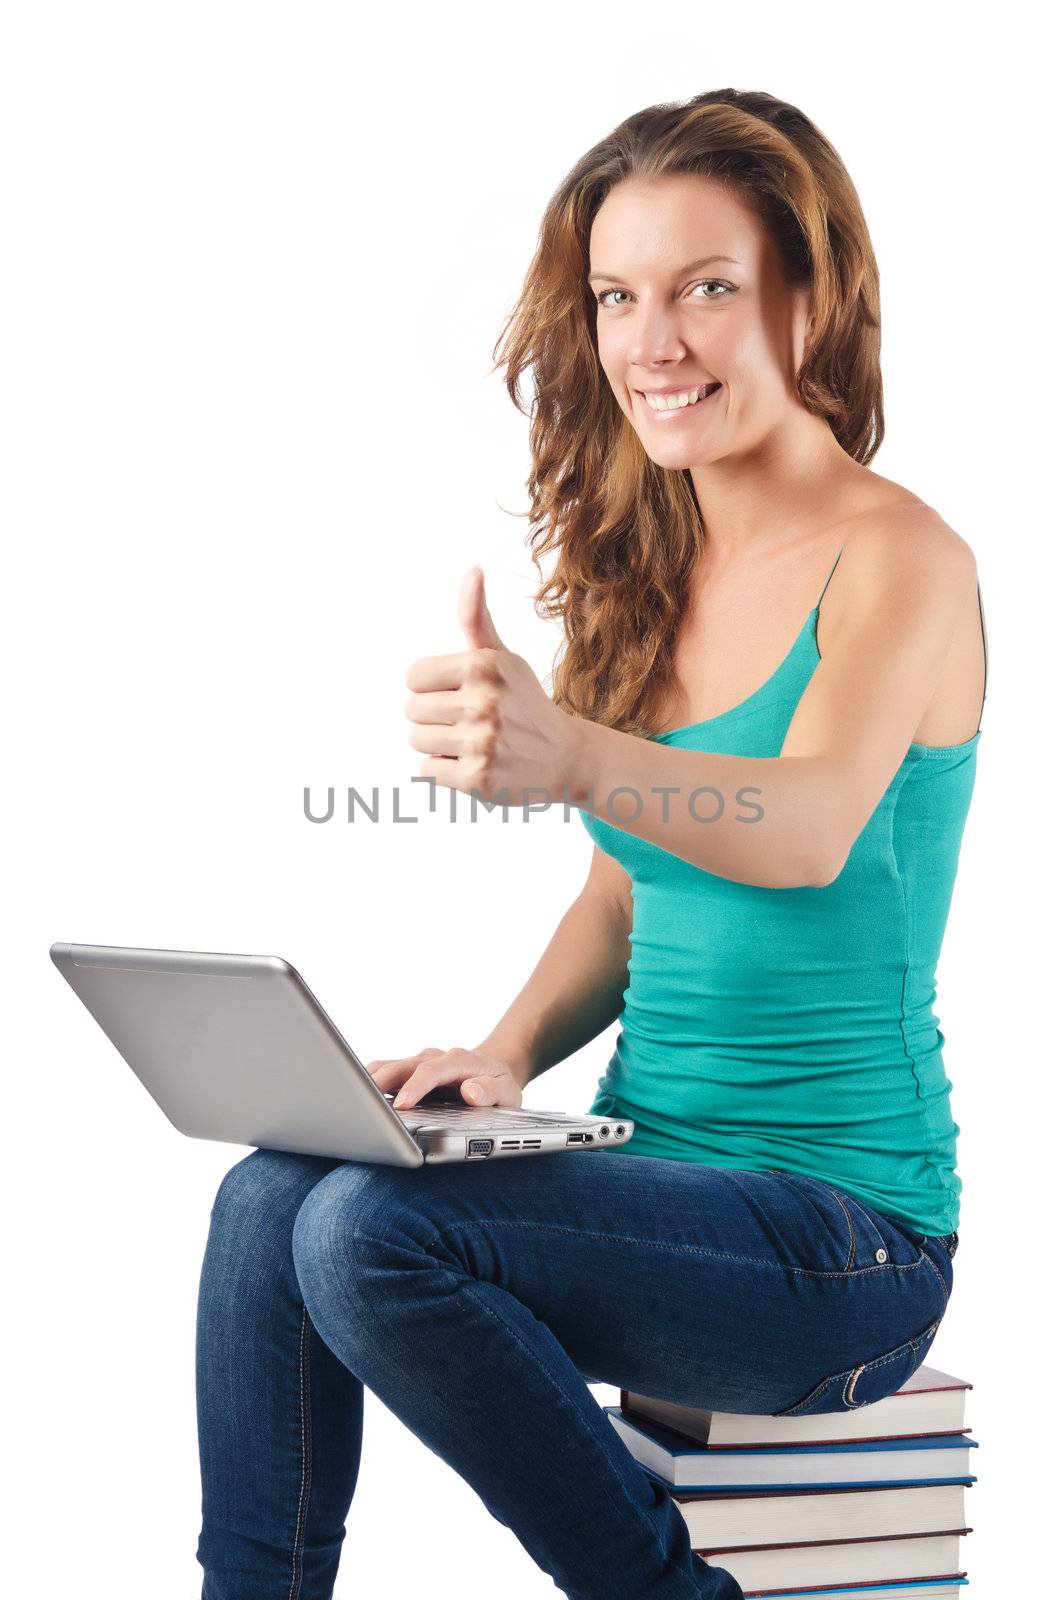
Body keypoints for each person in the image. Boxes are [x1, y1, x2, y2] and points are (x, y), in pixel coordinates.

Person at [195, 88, 986, 1600]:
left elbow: (810, 828)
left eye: (706, 288)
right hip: (653, 1182)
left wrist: (570, 750)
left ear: (809, 300)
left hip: (845, 1248)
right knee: (271, 1197)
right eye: (620, 296)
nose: (652, 342)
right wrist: (499, 1065)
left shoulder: (903, 556)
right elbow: (628, 895)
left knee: (371, 1235)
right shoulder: (658, 557)